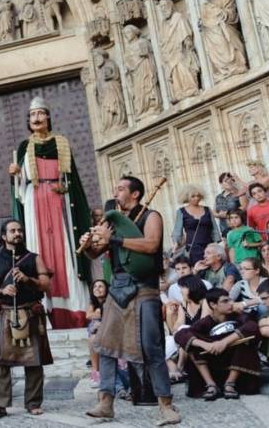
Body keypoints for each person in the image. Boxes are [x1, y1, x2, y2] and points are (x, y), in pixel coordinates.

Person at [80, 175, 180, 425]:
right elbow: (96, 253)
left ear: (135, 194)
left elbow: (151, 244)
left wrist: (113, 239)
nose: (116, 191)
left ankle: (166, 405)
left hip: (144, 288)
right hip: (118, 288)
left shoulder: (151, 216)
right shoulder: (112, 221)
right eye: (115, 187)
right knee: (105, 345)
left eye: (121, 188)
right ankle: (105, 403)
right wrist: (90, 244)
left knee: (151, 347)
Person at [8, 97, 91, 329]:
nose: (36, 118)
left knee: (63, 249)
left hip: (58, 199)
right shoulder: (26, 146)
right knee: (39, 248)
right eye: (32, 115)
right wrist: (15, 174)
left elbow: (70, 179)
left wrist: (64, 191)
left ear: (48, 117)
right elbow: (20, 186)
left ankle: (72, 309)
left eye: (40, 113)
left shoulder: (61, 143)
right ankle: (45, 307)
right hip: (35, 200)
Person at [0, 219, 53, 419]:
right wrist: (2, 290)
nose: (17, 233)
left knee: (34, 360)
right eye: (13, 231)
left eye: (20, 230)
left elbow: (46, 284)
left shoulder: (34, 258)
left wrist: (28, 279)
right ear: (4, 236)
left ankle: (33, 402)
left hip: (30, 313)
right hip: (5, 313)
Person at [174, 288, 260, 400]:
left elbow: (252, 327)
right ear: (213, 305)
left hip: (236, 365)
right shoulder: (206, 321)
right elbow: (181, 334)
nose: (231, 304)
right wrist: (205, 345)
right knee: (192, 344)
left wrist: (224, 342)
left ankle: (230, 384)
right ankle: (211, 384)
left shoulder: (239, 316)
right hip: (213, 362)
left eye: (230, 300)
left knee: (244, 342)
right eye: (225, 301)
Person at [164, 275, 209, 384]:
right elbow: (179, 321)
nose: (180, 291)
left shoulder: (205, 301)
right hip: (186, 335)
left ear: (191, 287)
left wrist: (182, 330)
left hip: (201, 335)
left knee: (184, 331)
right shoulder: (184, 303)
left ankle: (180, 366)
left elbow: (204, 323)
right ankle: (174, 371)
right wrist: (175, 330)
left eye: (182, 288)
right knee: (165, 341)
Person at [171, 185, 221, 265]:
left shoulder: (207, 209)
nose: (196, 198)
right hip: (193, 247)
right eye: (193, 196)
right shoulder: (181, 211)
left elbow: (214, 228)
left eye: (198, 196)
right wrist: (175, 243)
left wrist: (217, 243)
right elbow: (177, 230)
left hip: (209, 246)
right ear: (187, 197)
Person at [87, 280, 108, 388]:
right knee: (92, 337)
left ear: (106, 289)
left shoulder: (110, 301)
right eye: (95, 286)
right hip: (96, 330)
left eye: (101, 286)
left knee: (93, 334)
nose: (97, 288)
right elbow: (88, 316)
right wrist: (99, 312)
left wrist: (98, 313)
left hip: (109, 329)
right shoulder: (93, 302)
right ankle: (96, 372)